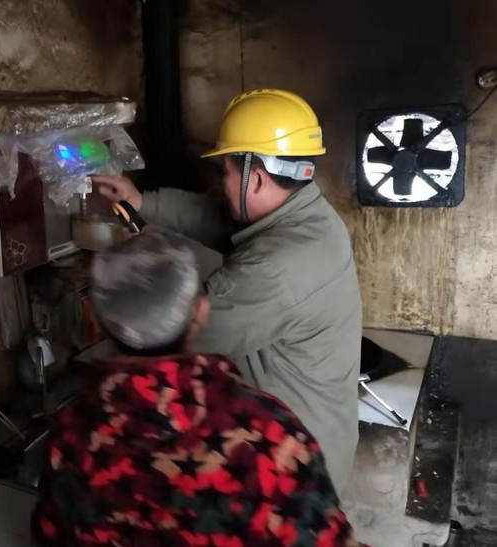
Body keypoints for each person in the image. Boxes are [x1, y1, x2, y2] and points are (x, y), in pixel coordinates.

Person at [93, 89, 362, 493]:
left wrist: (136, 274)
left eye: (226, 171)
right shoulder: (306, 215)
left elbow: (175, 337)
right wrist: (140, 202)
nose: (222, 182)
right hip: (311, 435)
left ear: (257, 177)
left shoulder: (275, 268)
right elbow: (217, 217)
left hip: (294, 472)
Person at [33, 231, 358, 546]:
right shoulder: (266, 432)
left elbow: (50, 532)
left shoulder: (71, 435)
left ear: (102, 321)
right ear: (201, 312)